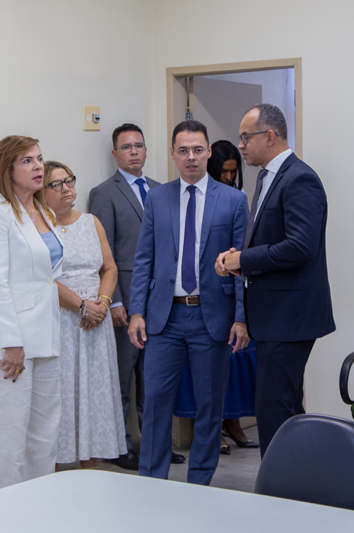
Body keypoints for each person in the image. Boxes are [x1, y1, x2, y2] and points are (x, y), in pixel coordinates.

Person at [128, 120, 250, 485]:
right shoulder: (157, 198)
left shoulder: (233, 200)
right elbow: (144, 259)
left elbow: (242, 266)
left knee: (209, 407)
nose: (191, 157)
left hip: (211, 318)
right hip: (163, 318)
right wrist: (137, 311)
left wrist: (241, 318)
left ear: (209, 151)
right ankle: (152, 483)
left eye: (198, 149)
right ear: (172, 154)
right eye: (183, 150)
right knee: (156, 404)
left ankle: (199, 484)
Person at [216, 104, 335, 458]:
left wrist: (245, 259)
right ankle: (297, 481)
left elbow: (301, 246)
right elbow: (274, 240)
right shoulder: (267, 177)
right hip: (275, 316)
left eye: (245, 137)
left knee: (273, 411)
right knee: (284, 407)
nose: (240, 145)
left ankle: (280, 485)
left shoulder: (299, 178)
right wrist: (241, 260)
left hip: (290, 317)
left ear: (270, 136)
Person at [0, 136, 65, 491]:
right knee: (7, 441)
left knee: (44, 436)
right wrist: (11, 343)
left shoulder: (43, 211)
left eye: (39, 158)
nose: (38, 166)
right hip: (11, 344)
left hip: (46, 337)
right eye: (27, 161)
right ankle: (2, 515)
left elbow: (46, 277)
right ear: (7, 169)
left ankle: (37, 509)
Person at [90, 124, 185, 470]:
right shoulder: (104, 193)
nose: (134, 152)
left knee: (154, 379)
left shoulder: (163, 190)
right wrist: (113, 300)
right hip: (125, 299)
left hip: (161, 302)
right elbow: (104, 255)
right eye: (127, 147)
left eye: (139, 146)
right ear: (115, 154)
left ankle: (155, 446)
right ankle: (119, 447)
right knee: (122, 378)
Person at [174, 140, 259, 453]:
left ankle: (232, 423)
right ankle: (214, 428)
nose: (228, 177)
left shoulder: (236, 198)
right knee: (205, 377)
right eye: (223, 171)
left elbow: (242, 254)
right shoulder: (182, 197)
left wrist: (241, 314)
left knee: (234, 368)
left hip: (231, 302)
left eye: (233, 172)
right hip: (198, 303)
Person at [43, 161, 126, 468]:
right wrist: (81, 306)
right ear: (41, 192)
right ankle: (55, 471)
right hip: (63, 321)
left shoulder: (92, 222)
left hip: (96, 323)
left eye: (69, 181)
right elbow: (42, 280)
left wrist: (102, 303)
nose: (66, 188)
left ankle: (91, 469)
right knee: (62, 394)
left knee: (94, 395)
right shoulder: (39, 227)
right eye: (56, 184)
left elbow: (110, 268)